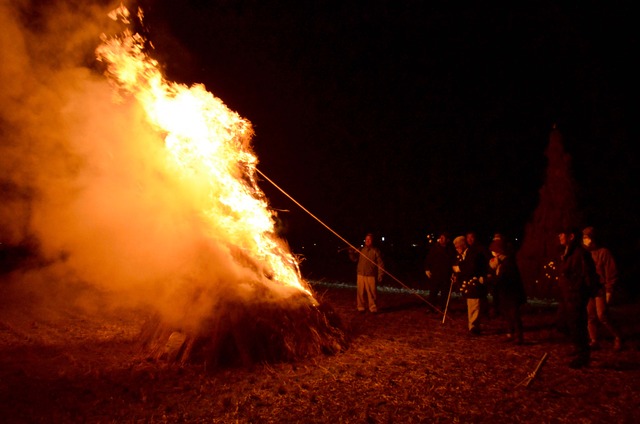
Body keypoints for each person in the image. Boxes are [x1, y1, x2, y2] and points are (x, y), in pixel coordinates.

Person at [556, 227, 600, 369]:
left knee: (577, 325)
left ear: (571, 236)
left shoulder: (580, 253)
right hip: (566, 296)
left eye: (562, 233)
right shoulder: (567, 252)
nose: (559, 236)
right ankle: (577, 345)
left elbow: (588, 275)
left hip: (576, 296)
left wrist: (584, 292)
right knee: (563, 324)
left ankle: (583, 355)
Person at [582, 227, 623, 351]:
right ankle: (594, 340)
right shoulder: (585, 254)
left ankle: (618, 336)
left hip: (600, 289)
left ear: (593, 238)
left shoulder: (603, 253)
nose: (585, 240)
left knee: (602, 315)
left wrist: (609, 290)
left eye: (587, 237)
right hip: (590, 290)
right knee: (590, 316)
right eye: (584, 237)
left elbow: (611, 273)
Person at [488, 238, 527, 344]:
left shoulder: (508, 262)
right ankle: (510, 333)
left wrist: (492, 279)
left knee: (514, 315)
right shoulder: (501, 262)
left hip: (511, 294)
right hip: (505, 294)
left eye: (494, 250)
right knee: (508, 315)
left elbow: (505, 278)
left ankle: (519, 336)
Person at [452, 235, 488, 334]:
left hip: (474, 284)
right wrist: (456, 276)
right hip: (467, 285)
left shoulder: (473, 253)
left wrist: (460, 269)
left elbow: (472, 267)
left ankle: (474, 327)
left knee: (475, 305)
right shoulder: (461, 255)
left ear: (463, 245)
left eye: (458, 246)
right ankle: (472, 325)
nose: (456, 248)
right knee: (471, 306)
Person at [349, 233, 384, 313]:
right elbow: (354, 259)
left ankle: (373, 308)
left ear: (372, 241)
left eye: (369, 239)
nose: (367, 241)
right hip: (360, 274)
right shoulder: (361, 250)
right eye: (366, 239)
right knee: (360, 293)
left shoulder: (375, 251)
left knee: (372, 293)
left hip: (371, 275)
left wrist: (380, 275)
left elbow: (380, 264)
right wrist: (351, 252)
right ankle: (361, 307)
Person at [424, 232, 456, 312]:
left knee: (445, 293)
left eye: (443, 237)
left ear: (447, 240)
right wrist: (427, 269)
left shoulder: (450, 249)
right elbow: (429, 259)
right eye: (440, 237)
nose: (441, 239)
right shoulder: (435, 248)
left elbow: (453, 261)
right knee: (433, 292)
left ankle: (444, 308)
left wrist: (454, 272)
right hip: (435, 273)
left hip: (446, 274)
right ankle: (431, 307)